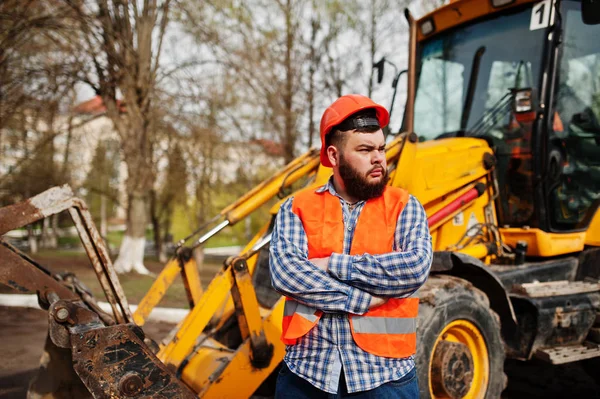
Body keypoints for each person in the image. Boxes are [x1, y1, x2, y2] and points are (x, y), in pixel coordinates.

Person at [269, 94, 433, 398]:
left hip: (385, 379)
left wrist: (333, 265)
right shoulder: (297, 207)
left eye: (381, 148)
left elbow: (414, 269)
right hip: (307, 376)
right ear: (334, 156)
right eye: (365, 149)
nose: (379, 159)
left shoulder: (405, 207)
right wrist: (360, 299)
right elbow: (286, 275)